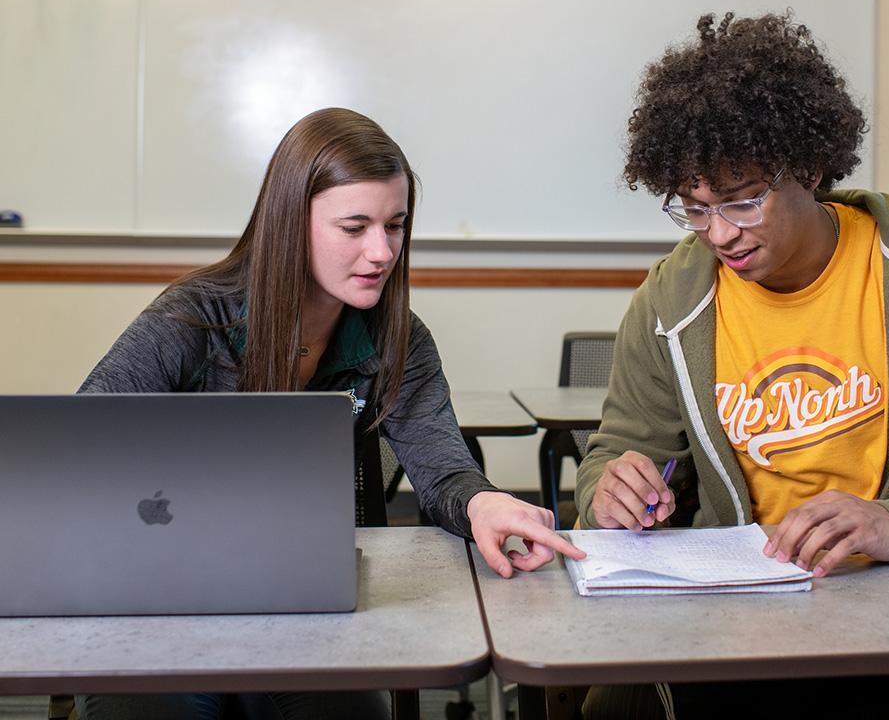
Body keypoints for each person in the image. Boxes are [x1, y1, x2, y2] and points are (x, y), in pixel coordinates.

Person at [76, 106, 584, 720]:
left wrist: (484, 503)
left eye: (395, 225)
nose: (382, 251)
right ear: (291, 223)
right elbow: (82, 445)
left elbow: (444, 469)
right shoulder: (190, 319)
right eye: (355, 226)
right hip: (162, 601)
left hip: (307, 602)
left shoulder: (398, 337)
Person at [575, 11, 889, 719]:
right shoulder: (670, 304)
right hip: (740, 620)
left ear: (808, 166)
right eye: (695, 208)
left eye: (744, 201)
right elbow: (617, 453)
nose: (720, 234)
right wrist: (612, 492)